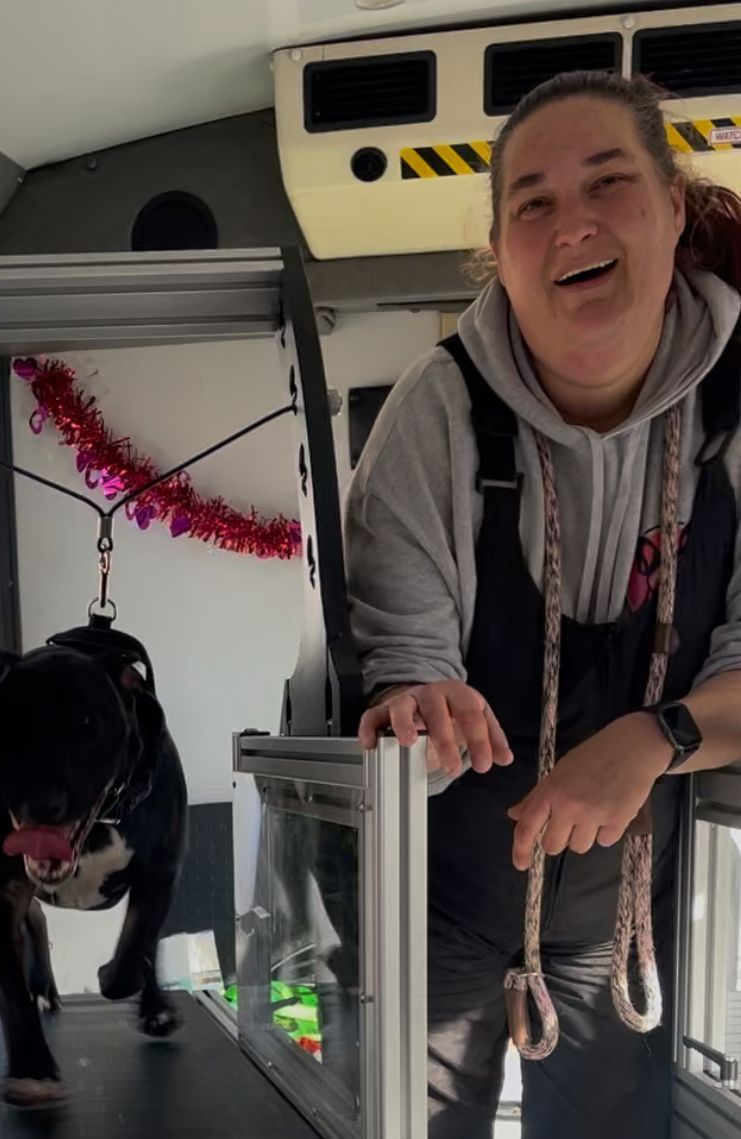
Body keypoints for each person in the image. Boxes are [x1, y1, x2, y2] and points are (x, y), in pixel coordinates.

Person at [344, 70, 741, 1139]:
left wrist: (654, 736)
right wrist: (419, 700)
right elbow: (402, 653)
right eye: (531, 201)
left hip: (624, 909)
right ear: (502, 250)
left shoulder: (736, 413)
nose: (571, 222)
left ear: (671, 206)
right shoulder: (435, 417)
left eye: (607, 182)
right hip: (439, 904)